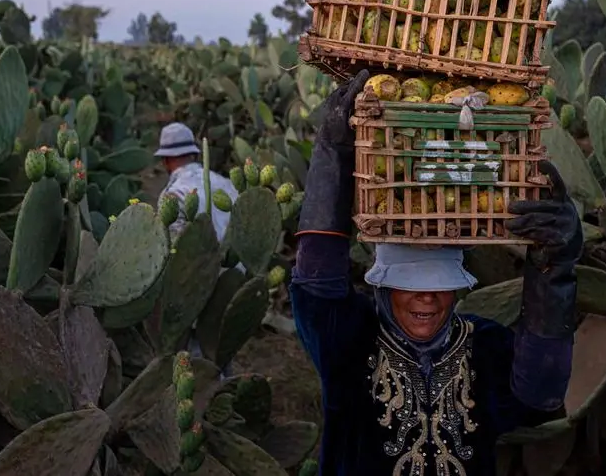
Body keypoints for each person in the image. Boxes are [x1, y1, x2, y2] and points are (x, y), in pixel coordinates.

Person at [290, 70, 583, 475]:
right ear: (382, 287)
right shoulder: (348, 340)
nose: (427, 296)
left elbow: (540, 396)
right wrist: (332, 156)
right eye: (409, 285)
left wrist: (555, 269)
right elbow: (315, 285)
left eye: (440, 286)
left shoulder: (484, 346)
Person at [154, 122, 240, 241]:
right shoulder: (226, 183)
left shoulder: (173, 195)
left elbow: (174, 245)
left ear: (165, 160)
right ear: (194, 155)